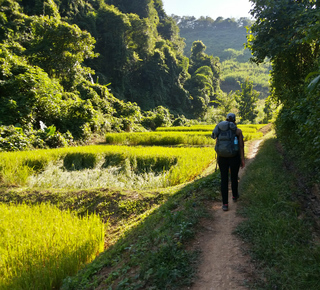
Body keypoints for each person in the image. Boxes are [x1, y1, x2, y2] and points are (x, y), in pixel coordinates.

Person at [211, 113, 245, 211]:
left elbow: (218, 144)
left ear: (226, 120)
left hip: (222, 158)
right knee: (234, 177)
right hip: (234, 157)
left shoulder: (220, 129)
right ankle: (234, 196)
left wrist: (218, 157)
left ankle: (225, 204)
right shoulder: (237, 131)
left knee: (224, 179)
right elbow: (241, 146)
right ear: (234, 121)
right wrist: (242, 159)